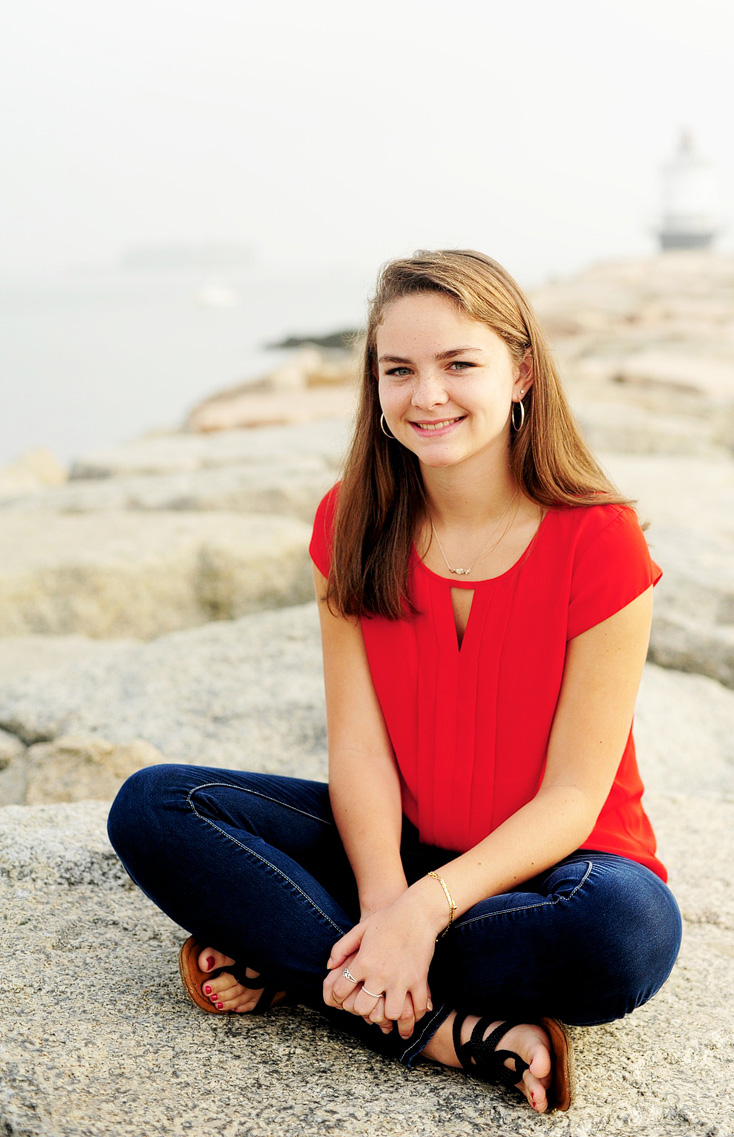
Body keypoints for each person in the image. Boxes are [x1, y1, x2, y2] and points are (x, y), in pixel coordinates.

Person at [107, 249, 681, 1115]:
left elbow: (573, 795)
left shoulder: (599, 538)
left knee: (625, 940)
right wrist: (388, 901)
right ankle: (447, 1025)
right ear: (373, 384)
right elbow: (360, 749)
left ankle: (305, 964)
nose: (428, 396)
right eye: (399, 370)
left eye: (459, 364)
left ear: (521, 371)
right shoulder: (350, 522)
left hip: (558, 868)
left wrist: (423, 916)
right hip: (398, 849)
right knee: (153, 807)